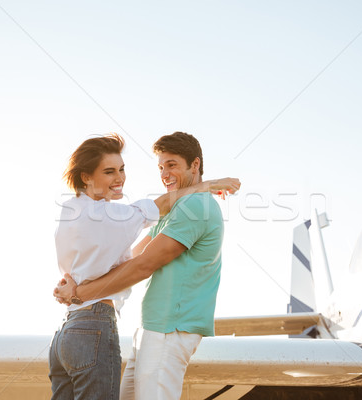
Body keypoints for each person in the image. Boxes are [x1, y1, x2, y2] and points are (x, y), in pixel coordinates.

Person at [49, 133, 240, 400]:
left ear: (194, 165)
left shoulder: (196, 205)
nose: (164, 173)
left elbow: (142, 265)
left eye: (171, 165)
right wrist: (79, 290)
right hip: (151, 329)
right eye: (160, 167)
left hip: (170, 328)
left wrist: (79, 293)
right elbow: (133, 258)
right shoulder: (173, 208)